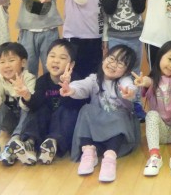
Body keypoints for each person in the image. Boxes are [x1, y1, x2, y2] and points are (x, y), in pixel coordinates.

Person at [60, 44, 140, 183]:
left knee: (121, 114)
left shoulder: (124, 81)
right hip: (98, 128)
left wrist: (130, 92)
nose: (113, 64)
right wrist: (70, 89)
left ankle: (110, 158)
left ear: (126, 71)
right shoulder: (94, 79)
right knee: (86, 109)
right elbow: (82, 86)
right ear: (104, 58)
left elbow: (130, 86)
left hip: (119, 132)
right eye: (112, 58)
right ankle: (88, 152)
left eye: (120, 63)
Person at [13, 39, 86, 165]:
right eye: (52, 56)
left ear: (71, 64)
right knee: (38, 110)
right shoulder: (42, 81)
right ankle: (30, 144)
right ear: (46, 60)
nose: (56, 60)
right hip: (47, 121)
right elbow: (35, 105)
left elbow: (76, 106)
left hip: (64, 125)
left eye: (62, 58)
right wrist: (27, 96)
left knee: (67, 111)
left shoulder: (75, 80)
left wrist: (67, 89)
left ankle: (52, 144)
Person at [134, 41, 171, 177]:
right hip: (159, 133)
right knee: (151, 114)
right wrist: (143, 81)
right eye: (170, 59)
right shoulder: (154, 79)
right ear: (160, 56)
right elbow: (148, 80)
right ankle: (155, 157)